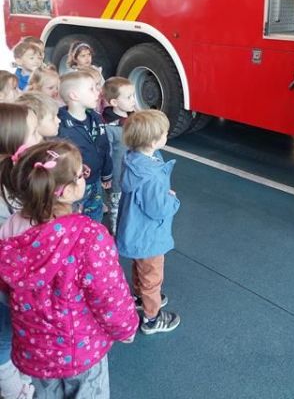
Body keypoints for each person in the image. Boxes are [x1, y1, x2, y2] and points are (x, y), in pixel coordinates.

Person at [0, 140, 139, 398]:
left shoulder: (11, 227)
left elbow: (7, 288)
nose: (85, 175)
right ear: (65, 191)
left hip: (35, 347)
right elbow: (108, 294)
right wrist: (126, 328)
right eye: (81, 174)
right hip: (81, 349)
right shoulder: (89, 236)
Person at [116, 110, 180, 334]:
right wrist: (172, 200)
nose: (166, 135)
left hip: (134, 232)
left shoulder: (133, 159)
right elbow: (158, 210)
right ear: (153, 142)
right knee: (152, 277)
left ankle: (139, 296)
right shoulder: (151, 175)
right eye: (164, 133)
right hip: (149, 236)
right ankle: (152, 319)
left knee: (140, 266)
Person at [0, 103, 42, 399]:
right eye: (35, 132)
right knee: (3, 340)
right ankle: (13, 390)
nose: (41, 138)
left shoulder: (15, 179)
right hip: (7, 288)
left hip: (13, 286)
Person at [57, 71, 112, 221]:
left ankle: (93, 234)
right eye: (91, 89)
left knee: (95, 213)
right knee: (72, 218)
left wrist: (107, 173)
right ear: (74, 95)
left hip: (95, 181)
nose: (98, 91)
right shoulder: (61, 125)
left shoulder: (96, 118)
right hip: (73, 185)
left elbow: (104, 146)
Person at [102, 77, 136, 235]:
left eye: (133, 95)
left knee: (130, 201)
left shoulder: (133, 119)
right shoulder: (109, 127)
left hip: (132, 171)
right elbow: (106, 153)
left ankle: (128, 226)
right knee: (115, 205)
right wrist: (106, 176)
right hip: (117, 175)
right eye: (128, 97)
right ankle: (116, 233)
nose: (133, 100)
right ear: (114, 102)